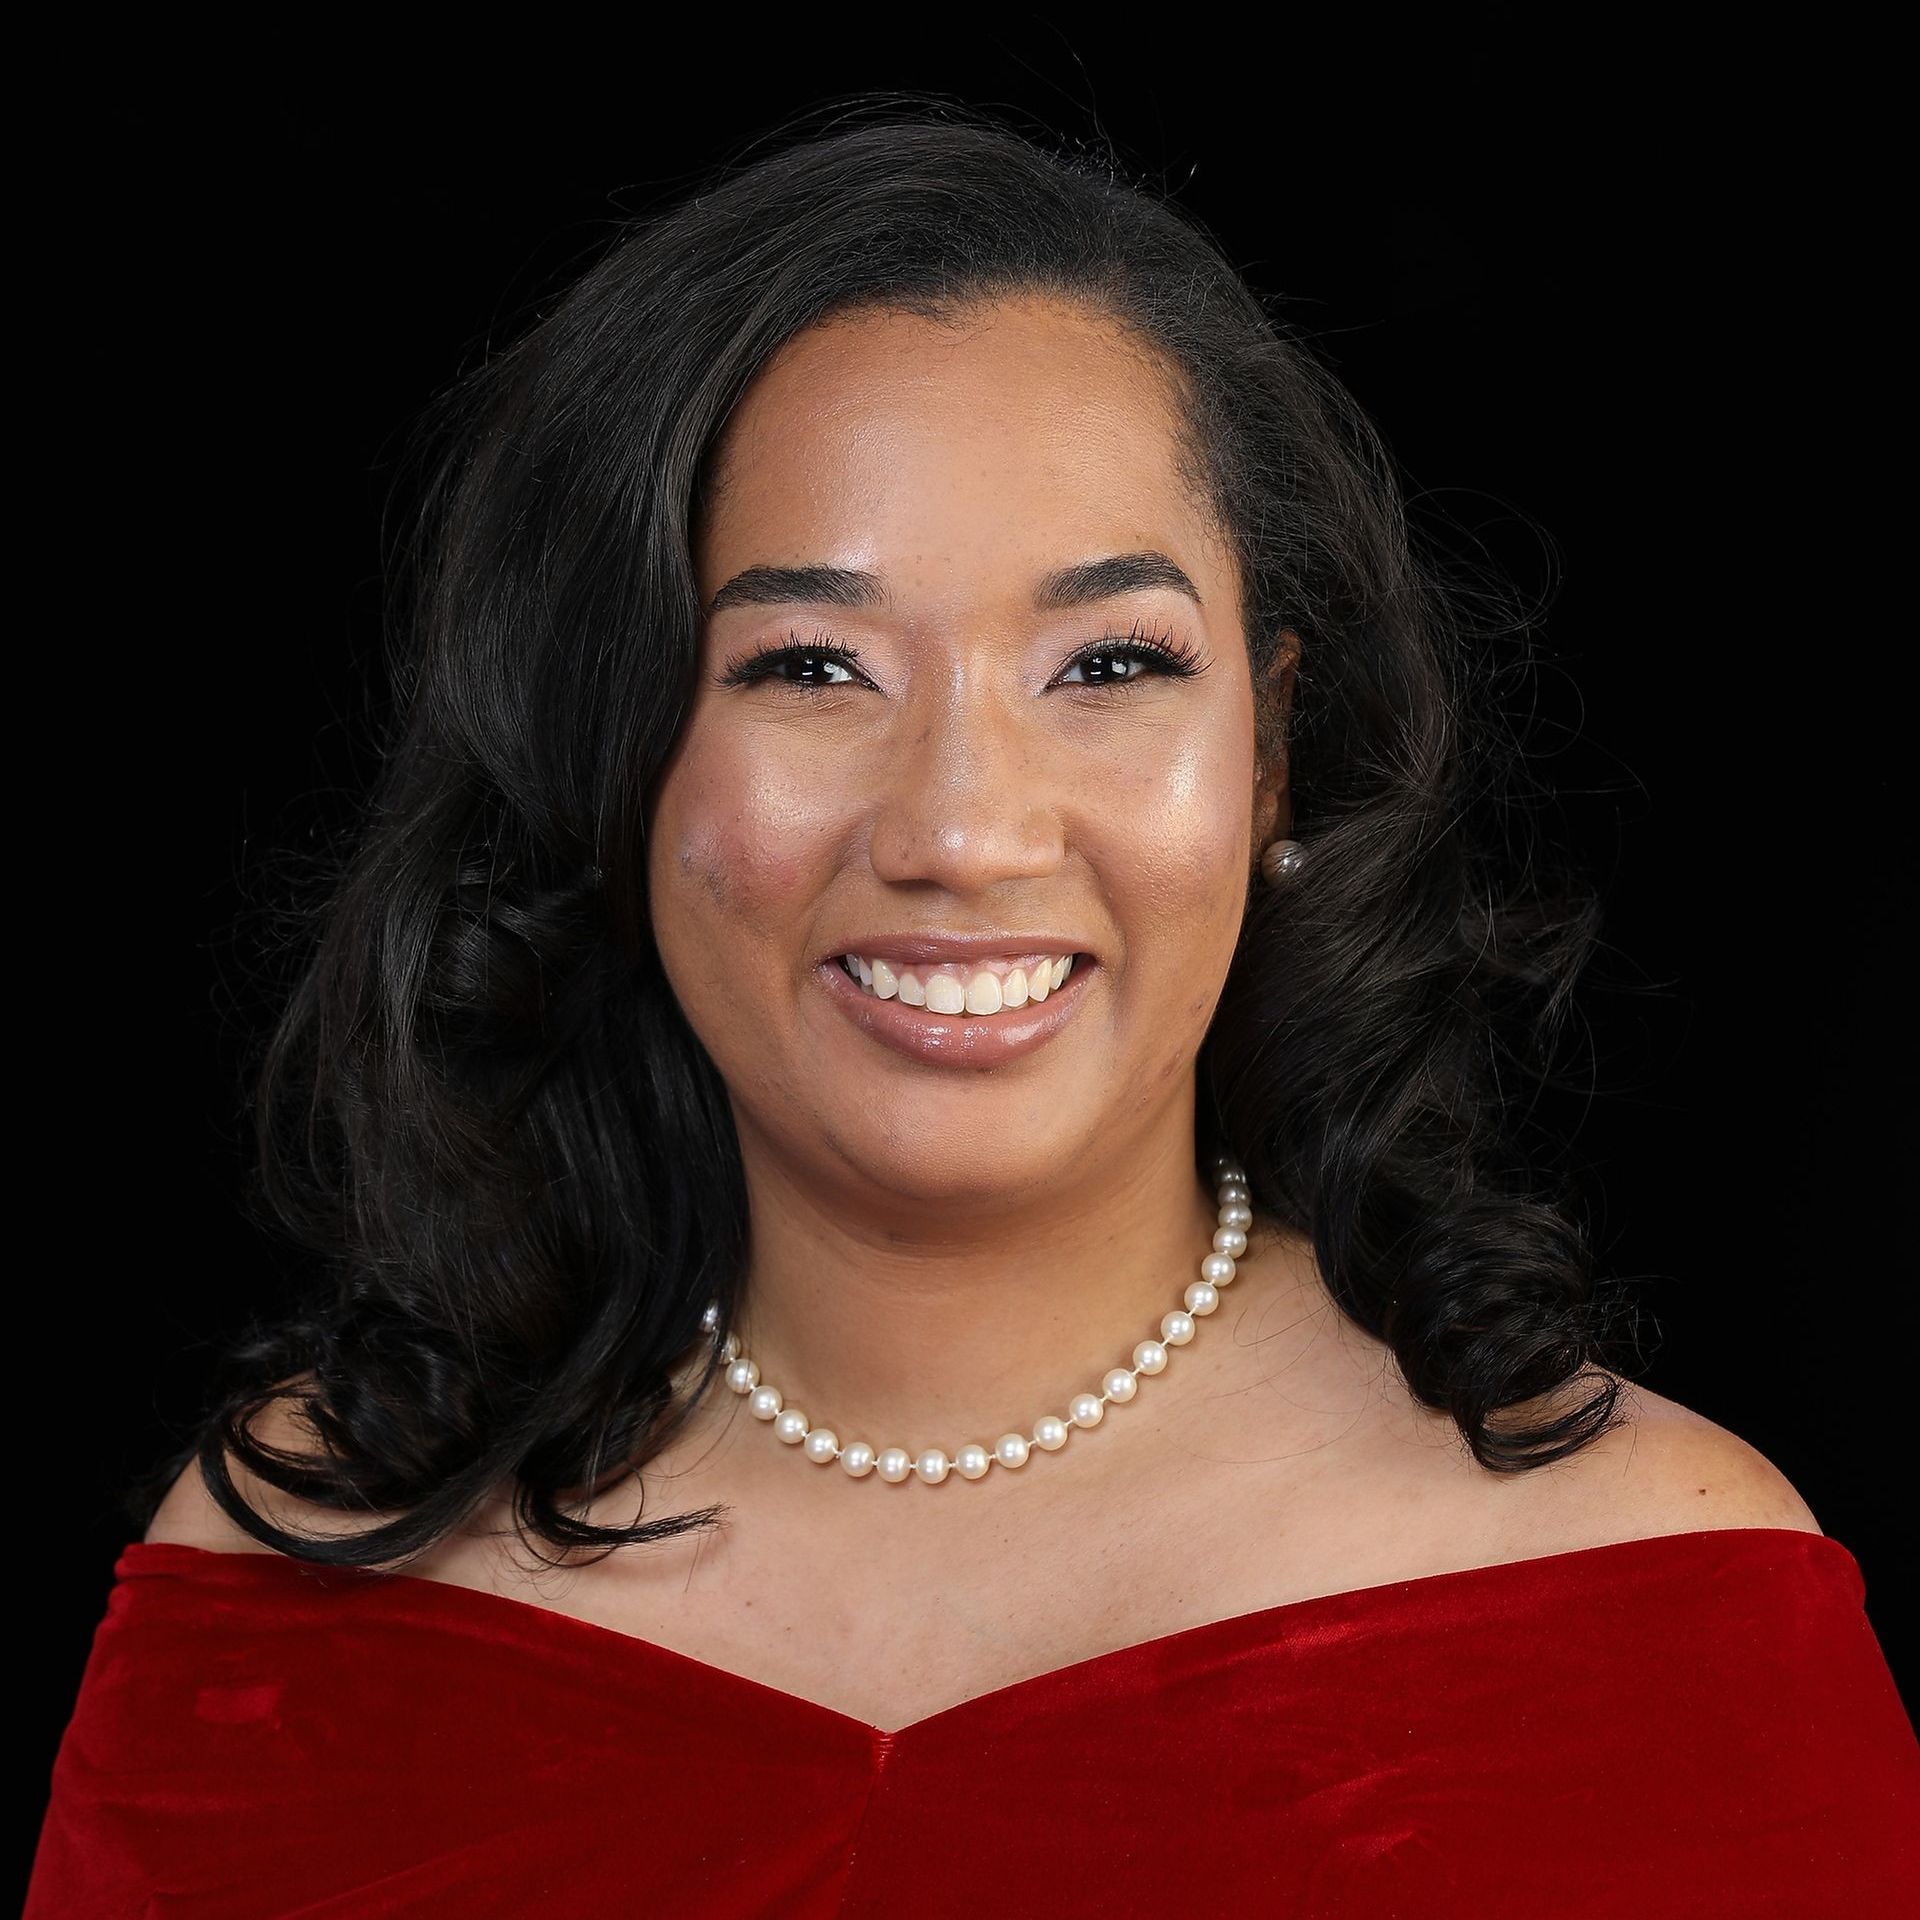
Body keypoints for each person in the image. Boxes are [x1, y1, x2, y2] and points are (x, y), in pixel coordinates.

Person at [28, 101, 1918, 1917]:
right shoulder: (287, 1595)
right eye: (809, 665)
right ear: (619, 764)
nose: (960, 829)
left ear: (1271, 759)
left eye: (1107, 661)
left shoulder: (1653, 1600)